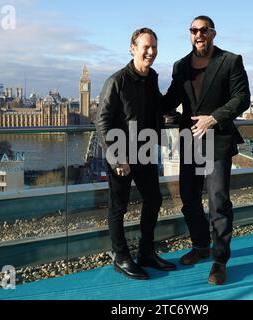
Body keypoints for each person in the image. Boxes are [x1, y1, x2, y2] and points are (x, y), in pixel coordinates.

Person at [163, 16, 251, 285]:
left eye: (203, 30)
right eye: (194, 30)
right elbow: (170, 101)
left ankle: (219, 260)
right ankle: (201, 245)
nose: (198, 34)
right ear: (190, 34)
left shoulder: (230, 61)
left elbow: (242, 98)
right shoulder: (180, 67)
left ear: (213, 33)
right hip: (190, 140)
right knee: (189, 198)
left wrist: (214, 117)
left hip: (218, 139)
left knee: (218, 202)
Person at [96, 28, 176, 280]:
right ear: (133, 48)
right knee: (118, 207)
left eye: (154, 47)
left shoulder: (151, 78)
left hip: (144, 150)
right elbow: (102, 121)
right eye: (146, 47)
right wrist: (115, 156)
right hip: (121, 154)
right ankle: (120, 257)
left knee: (154, 200)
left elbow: (159, 108)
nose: (151, 52)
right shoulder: (116, 81)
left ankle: (146, 253)